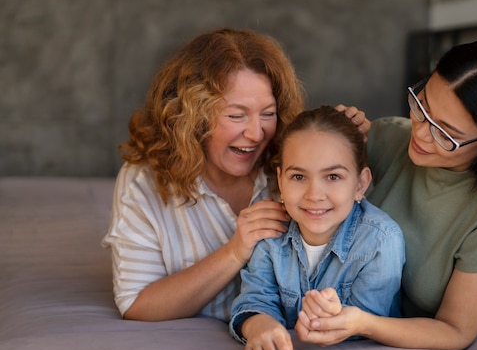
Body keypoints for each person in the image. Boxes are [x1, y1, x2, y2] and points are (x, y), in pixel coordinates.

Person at [295, 40, 477, 350]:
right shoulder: (389, 137)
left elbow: (454, 331)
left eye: (445, 133)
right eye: (422, 106)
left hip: (449, 342)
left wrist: (362, 322)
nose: (420, 133)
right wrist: (332, 136)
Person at [101, 28, 369, 322]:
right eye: (236, 115)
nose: (256, 134)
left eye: (268, 113)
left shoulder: (293, 165)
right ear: (190, 117)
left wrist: (349, 144)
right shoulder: (144, 182)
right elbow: (137, 305)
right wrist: (234, 252)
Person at [229, 105, 405, 350]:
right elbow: (256, 299)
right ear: (281, 180)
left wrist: (332, 317)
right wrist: (260, 326)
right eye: (298, 176)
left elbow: (369, 325)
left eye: (333, 176)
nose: (314, 194)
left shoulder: (380, 240)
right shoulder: (271, 230)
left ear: (360, 184)